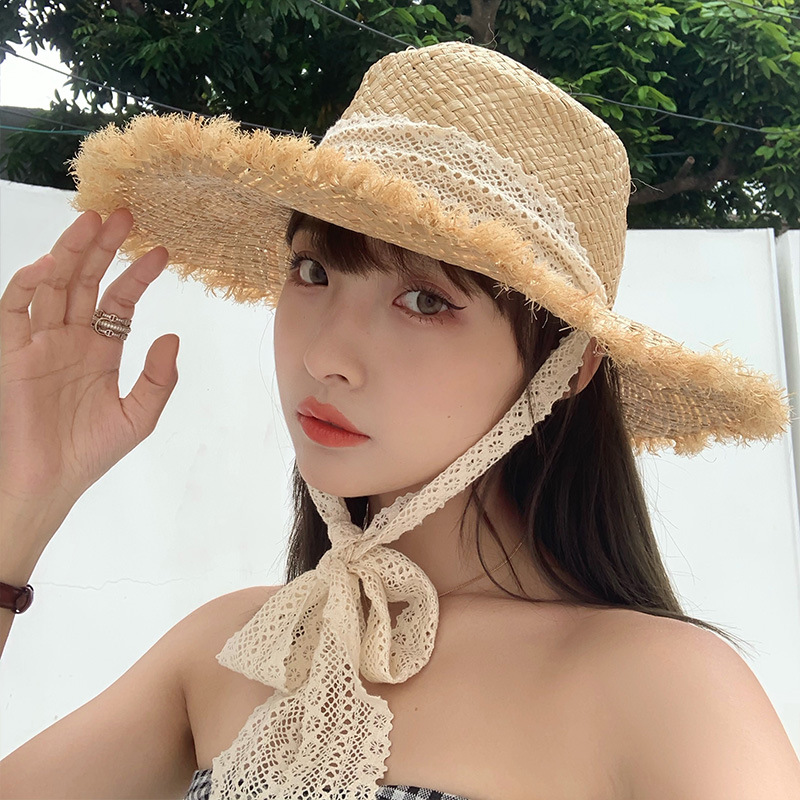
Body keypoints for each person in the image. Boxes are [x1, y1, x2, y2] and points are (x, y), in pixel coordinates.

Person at [1, 41, 799, 800]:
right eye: (313, 270)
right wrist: (20, 502)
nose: (326, 357)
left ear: (569, 368)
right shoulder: (228, 652)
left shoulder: (666, 690)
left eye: (424, 300)